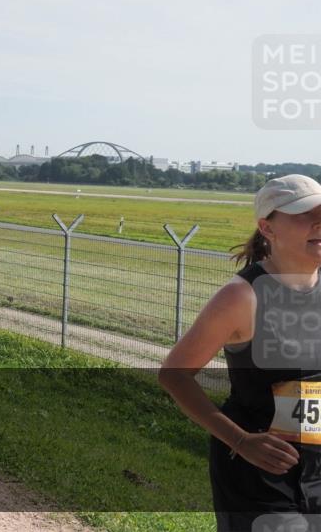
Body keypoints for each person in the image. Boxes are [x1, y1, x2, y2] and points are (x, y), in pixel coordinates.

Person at [160, 175, 321, 531]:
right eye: (303, 215)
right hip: (261, 473)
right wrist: (240, 440)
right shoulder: (241, 297)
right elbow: (173, 374)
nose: (318, 224)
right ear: (268, 227)